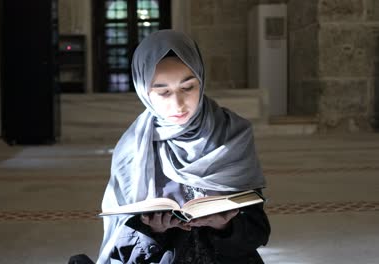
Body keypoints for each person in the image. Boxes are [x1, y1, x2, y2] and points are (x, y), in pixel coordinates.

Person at [97, 30, 270, 264]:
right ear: (143, 90)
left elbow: (257, 231)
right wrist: (154, 232)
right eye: (163, 92)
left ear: (201, 78)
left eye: (188, 87)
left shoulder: (232, 132)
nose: (178, 104)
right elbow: (121, 242)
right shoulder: (132, 148)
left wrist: (225, 225)